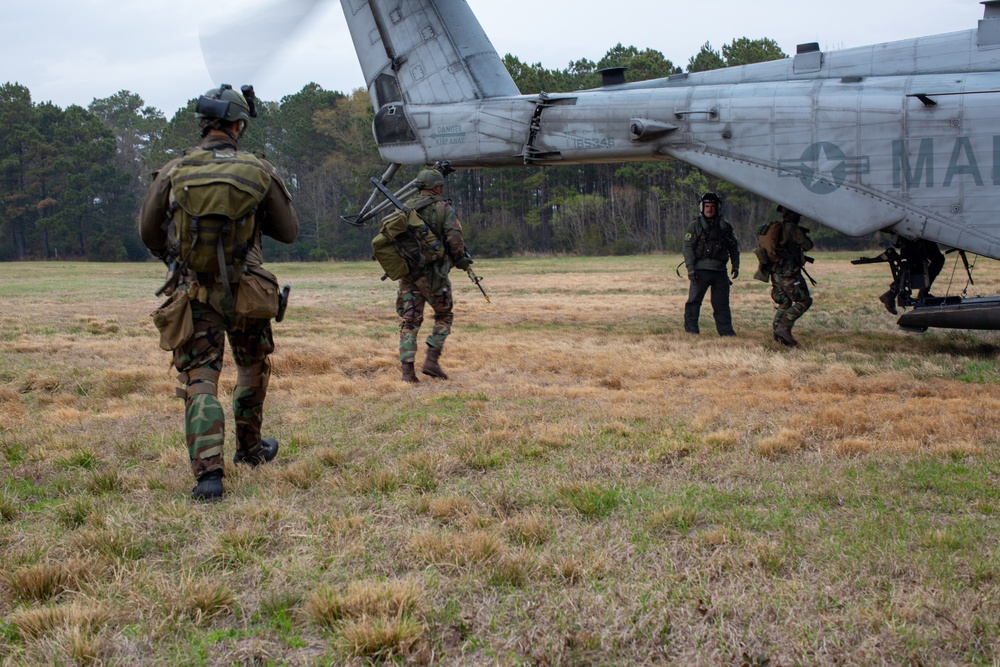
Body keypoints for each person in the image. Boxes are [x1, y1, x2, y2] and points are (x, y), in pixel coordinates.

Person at [139, 84, 299, 501]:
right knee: (252, 368)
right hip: (248, 291)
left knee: (201, 380)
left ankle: (209, 477)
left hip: (196, 292)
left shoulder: (175, 170)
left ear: (205, 124)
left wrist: (175, 260)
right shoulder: (259, 170)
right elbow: (289, 231)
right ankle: (250, 450)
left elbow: (147, 231)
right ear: (239, 125)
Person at [397, 168, 471, 383]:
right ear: (436, 187)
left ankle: (407, 372)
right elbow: (455, 239)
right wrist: (460, 260)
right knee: (444, 314)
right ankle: (431, 360)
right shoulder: (442, 208)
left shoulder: (405, 208)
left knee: (410, 321)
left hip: (409, 273)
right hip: (434, 274)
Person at [682, 192, 740, 336]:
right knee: (694, 302)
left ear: (718, 208)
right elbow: (687, 248)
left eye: (712, 206)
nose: (709, 209)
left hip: (720, 271)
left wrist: (736, 265)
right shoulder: (694, 226)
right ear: (702, 207)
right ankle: (691, 332)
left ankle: (726, 333)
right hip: (700, 271)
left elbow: (733, 247)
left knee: (722, 304)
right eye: (707, 206)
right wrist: (690, 268)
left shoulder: (725, 226)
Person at [765, 206, 814, 347]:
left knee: (784, 302)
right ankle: (784, 328)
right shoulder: (791, 229)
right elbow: (808, 245)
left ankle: (777, 334)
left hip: (776, 274)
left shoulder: (775, 228)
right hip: (789, 274)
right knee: (804, 301)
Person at [878, 237, 945, 314]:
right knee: (916, 263)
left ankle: (892, 293)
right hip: (914, 236)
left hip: (917, 235)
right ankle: (891, 293)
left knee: (932, 260)